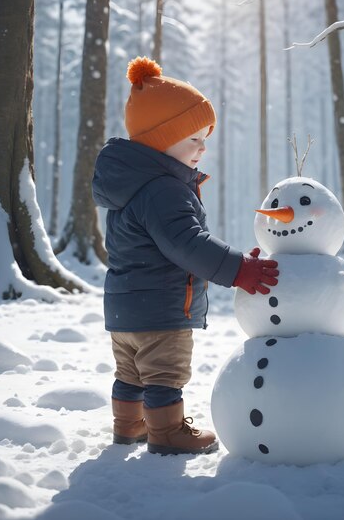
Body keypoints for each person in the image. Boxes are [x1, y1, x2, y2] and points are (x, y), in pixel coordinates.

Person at [92, 56, 279, 456]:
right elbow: (186, 243)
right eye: (193, 139)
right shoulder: (164, 190)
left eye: (205, 139)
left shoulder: (129, 187)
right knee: (164, 375)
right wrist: (239, 269)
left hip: (125, 308)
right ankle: (168, 433)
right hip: (162, 307)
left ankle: (128, 426)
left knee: (130, 372)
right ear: (162, 139)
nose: (202, 148)